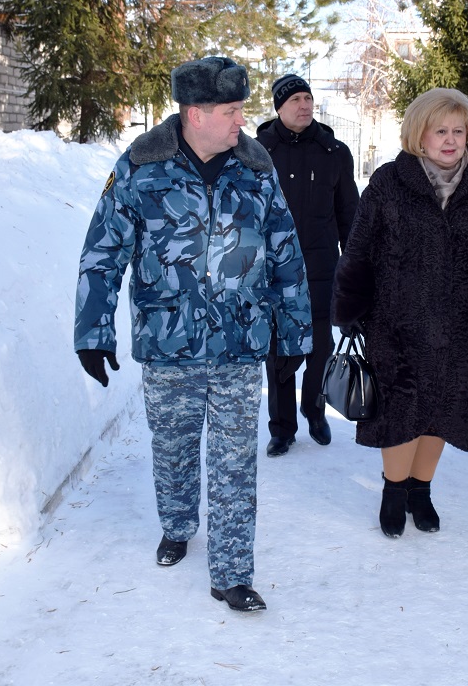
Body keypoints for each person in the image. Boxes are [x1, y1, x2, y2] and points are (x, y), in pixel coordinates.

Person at [73, 56, 313, 612]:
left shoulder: (256, 169)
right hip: (168, 342)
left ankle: (232, 573)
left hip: (239, 344)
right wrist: (93, 330)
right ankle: (177, 525)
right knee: (175, 448)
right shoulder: (140, 167)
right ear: (196, 113)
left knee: (235, 459)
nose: (241, 123)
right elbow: (103, 254)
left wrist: (295, 331)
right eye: (232, 112)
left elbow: (286, 253)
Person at [332, 88, 468, 538]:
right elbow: (359, 249)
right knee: (401, 412)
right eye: (439, 130)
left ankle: (421, 491)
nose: (450, 140)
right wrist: (350, 310)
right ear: (418, 136)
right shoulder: (388, 182)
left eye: (458, 131)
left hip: (458, 327)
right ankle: (392, 491)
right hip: (396, 326)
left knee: (443, 411)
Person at [256, 74, 360, 457]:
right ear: (278, 107)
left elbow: (350, 216)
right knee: (280, 353)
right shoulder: (257, 152)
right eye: (296, 99)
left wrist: (356, 266)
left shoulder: (334, 151)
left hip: (321, 270)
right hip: (274, 273)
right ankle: (282, 429)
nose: (304, 105)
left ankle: (314, 412)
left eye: (308, 98)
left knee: (320, 348)